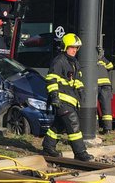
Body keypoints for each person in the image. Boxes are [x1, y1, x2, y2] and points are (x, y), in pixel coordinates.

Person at [43, 33, 93, 161]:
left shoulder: (74, 62)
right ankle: (80, 152)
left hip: (71, 100)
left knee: (59, 125)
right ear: (65, 47)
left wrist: (81, 89)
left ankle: (48, 147)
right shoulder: (59, 61)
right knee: (73, 124)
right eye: (71, 47)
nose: (74, 50)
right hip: (61, 99)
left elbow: (76, 80)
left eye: (76, 48)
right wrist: (54, 96)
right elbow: (51, 79)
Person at [97, 55, 114, 134]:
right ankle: (107, 129)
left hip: (95, 85)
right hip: (106, 85)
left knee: (92, 107)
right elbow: (110, 66)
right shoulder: (102, 58)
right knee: (106, 107)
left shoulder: (87, 58)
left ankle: (94, 128)